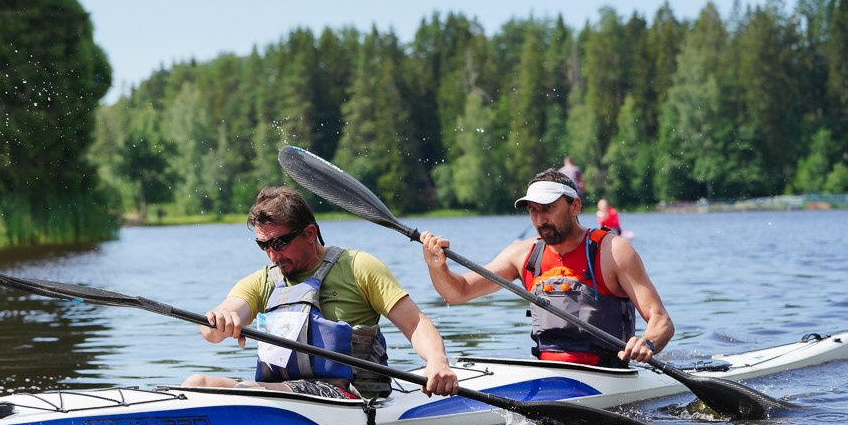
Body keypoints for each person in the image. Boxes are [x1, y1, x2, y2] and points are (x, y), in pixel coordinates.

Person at [182, 185, 458, 397]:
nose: (272, 255)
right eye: (263, 245)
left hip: (346, 397)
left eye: (279, 243)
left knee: (245, 392)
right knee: (196, 384)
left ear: (310, 233)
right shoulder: (262, 281)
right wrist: (220, 321)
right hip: (282, 397)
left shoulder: (358, 267)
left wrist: (437, 361)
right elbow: (217, 325)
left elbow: (415, 323)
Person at [419, 169, 673, 367]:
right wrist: (436, 267)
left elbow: (661, 320)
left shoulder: (613, 251)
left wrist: (647, 342)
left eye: (549, 209)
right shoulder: (522, 254)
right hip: (548, 376)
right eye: (533, 211)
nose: (541, 220)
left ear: (575, 206)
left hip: (608, 376)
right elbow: (458, 292)